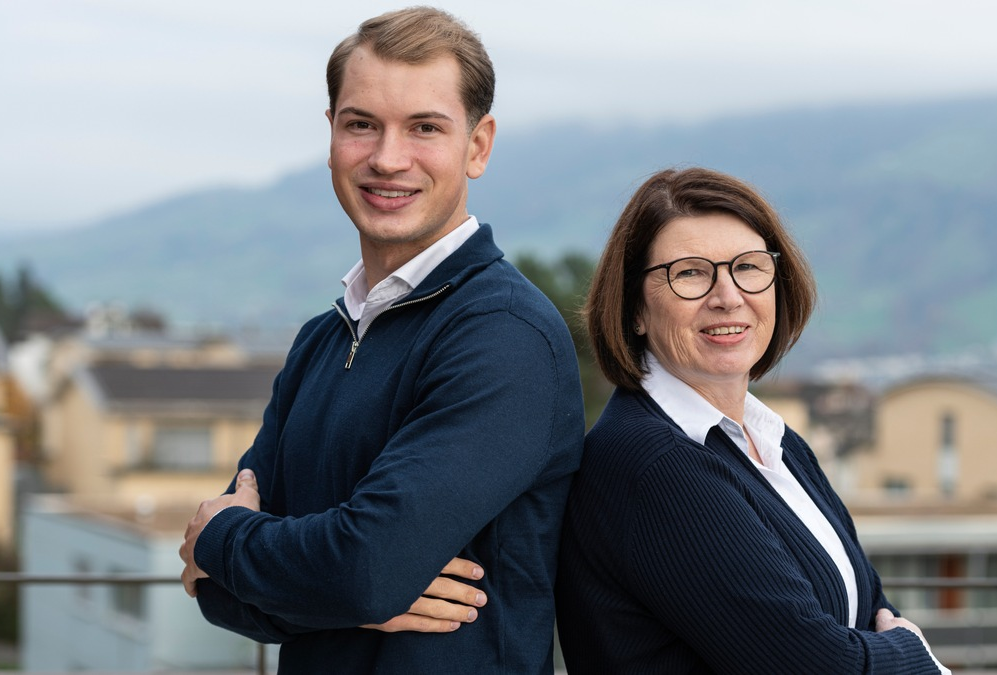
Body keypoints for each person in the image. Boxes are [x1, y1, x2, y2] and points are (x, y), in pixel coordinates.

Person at [177, 7, 584, 674]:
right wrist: (346, 589)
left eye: (424, 127)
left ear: (477, 146)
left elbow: (358, 565)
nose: (387, 158)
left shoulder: (505, 336)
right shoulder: (321, 340)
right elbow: (214, 592)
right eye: (361, 124)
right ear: (333, 135)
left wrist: (225, 535)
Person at [555, 167, 950, 673]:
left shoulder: (776, 445)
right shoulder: (651, 467)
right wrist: (915, 655)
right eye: (691, 273)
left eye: (749, 266)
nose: (728, 296)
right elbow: (815, 666)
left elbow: (871, 604)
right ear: (635, 308)